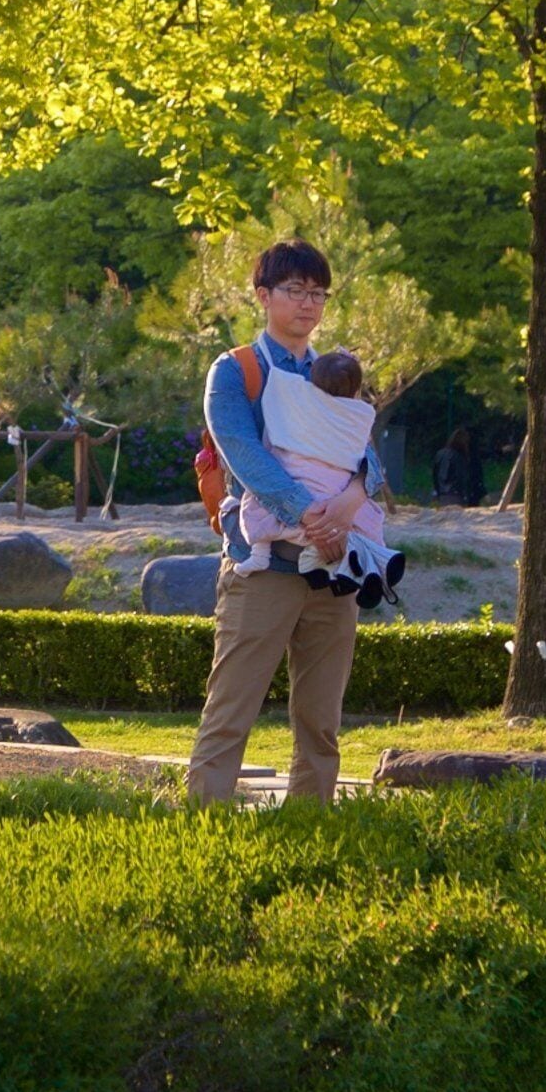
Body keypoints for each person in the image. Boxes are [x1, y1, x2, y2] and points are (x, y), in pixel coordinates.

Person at [187, 240, 380, 807]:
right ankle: (202, 823)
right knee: (231, 710)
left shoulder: (336, 370)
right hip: (264, 565)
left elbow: (366, 453)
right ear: (264, 295)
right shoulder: (236, 370)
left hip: (334, 565)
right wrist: (309, 514)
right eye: (295, 290)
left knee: (321, 720)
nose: (309, 303)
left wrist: (344, 509)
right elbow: (244, 455)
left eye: (318, 293)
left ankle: (310, 824)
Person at [237, 349, 408, 600]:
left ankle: (259, 554)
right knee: (368, 519)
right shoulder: (358, 415)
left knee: (257, 501)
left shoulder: (298, 400)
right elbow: (365, 454)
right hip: (336, 489)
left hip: (300, 481)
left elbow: (280, 382)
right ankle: (375, 561)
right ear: (355, 389)